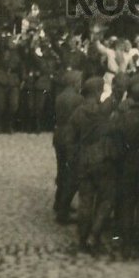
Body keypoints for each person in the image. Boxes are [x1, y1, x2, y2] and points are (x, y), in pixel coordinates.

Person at [68, 77, 117, 253]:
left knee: (85, 200)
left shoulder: (77, 113)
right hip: (102, 158)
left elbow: (71, 141)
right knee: (106, 199)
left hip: (83, 159)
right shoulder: (103, 111)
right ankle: (94, 235)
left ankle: (82, 237)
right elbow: (115, 97)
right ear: (97, 92)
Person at [114, 78, 139, 259]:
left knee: (127, 204)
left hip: (127, 163)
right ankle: (138, 243)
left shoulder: (124, 116)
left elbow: (117, 140)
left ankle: (126, 243)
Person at [51, 70, 83, 223]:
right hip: (70, 136)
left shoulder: (60, 96)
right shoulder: (78, 99)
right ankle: (63, 208)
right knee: (72, 171)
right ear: (74, 82)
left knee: (61, 169)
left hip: (58, 134)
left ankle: (58, 202)